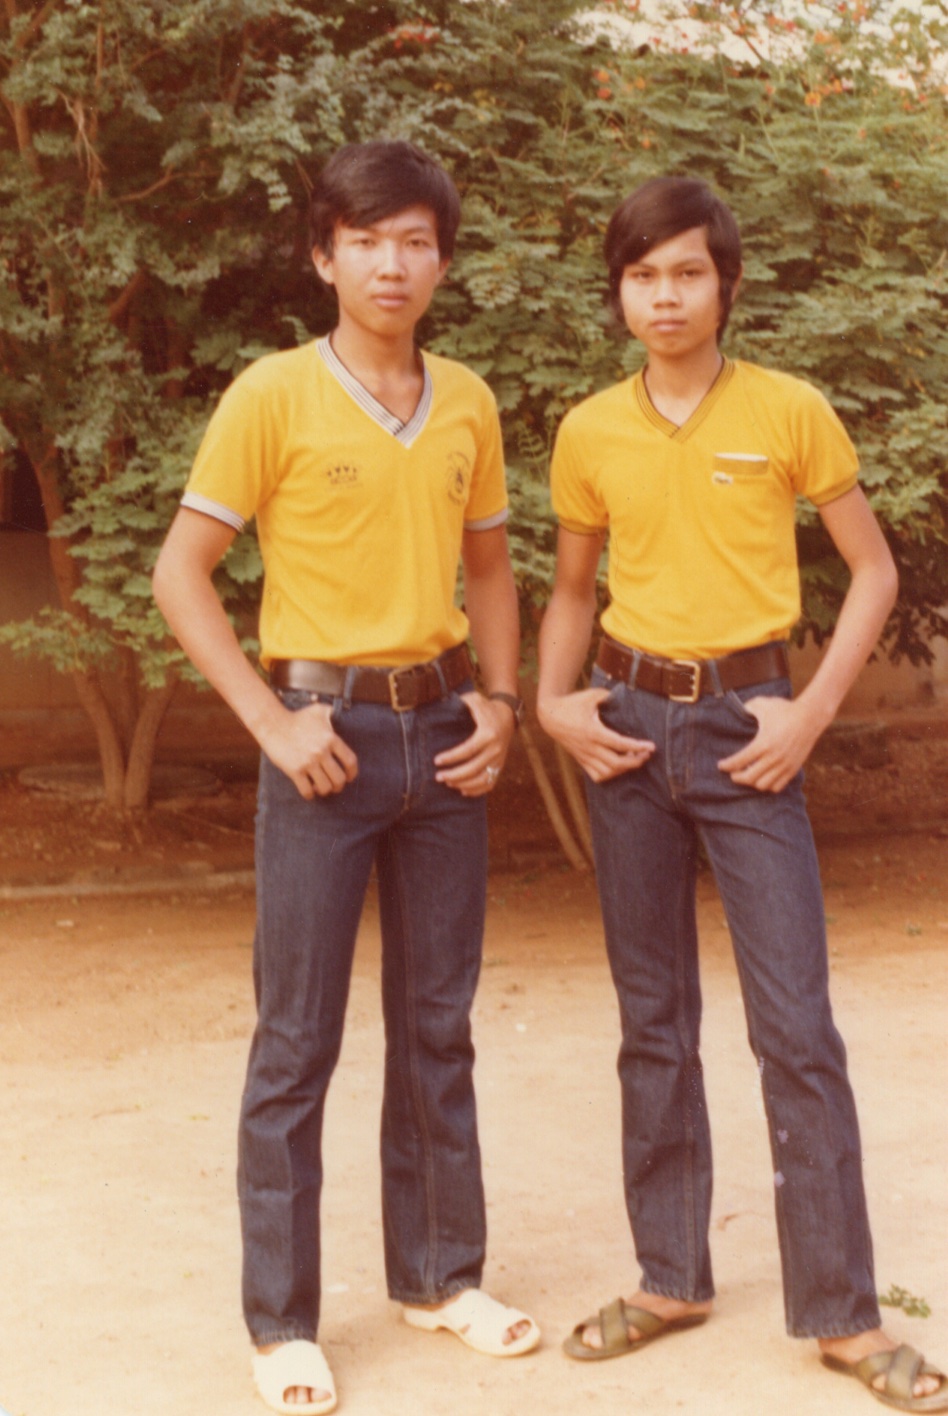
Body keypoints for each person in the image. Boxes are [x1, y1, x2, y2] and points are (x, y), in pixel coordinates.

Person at [536, 176, 947, 1411]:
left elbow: (871, 573)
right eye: (643, 276)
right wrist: (554, 708)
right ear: (620, 292)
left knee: (795, 1028)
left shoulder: (790, 410)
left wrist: (810, 714)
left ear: (725, 283)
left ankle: (841, 1312)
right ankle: (671, 1276)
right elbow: (569, 590)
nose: (665, 296)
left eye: (687, 274)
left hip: (748, 730)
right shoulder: (589, 429)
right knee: (652, 1017)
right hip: (626, 734)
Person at [152, 139, 538, 1416]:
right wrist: (273, 724)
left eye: (415, 240)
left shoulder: (468, 399)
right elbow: (181, 573)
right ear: (324, 254)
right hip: (318, 746)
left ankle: (438, 1278)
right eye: (366, 240)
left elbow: (489, 570)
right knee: (297, 1039)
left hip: (444, 741)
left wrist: (501, 700)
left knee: (437, 1025)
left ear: (440, 256)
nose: (392, 262)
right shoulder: (271, 394)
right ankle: (283, 1322)